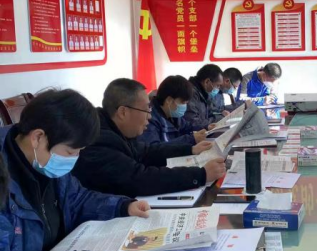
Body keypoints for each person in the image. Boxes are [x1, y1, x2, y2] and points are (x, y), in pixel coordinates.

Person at [0, 89, 152, 251]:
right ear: (37, 137)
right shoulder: (4, 178)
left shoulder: (44, 163)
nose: (75, 159)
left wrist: (122, 206)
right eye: (71, 152)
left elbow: (77, 199)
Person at [74, 79, 226, 198]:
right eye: (146, 109)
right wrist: (201, 175)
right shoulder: (98, 140)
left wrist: (190, 149)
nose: (149, 116)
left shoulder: (118, 130)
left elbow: (147, 152)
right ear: (123, 112)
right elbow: (139, 179)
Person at [140, 76, 207, 146]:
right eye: (183, 102)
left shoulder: (173, 115)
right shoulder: (150, 119)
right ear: (169, 100)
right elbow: (155, 147)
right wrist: (191, 139)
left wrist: (206, 127)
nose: (185, 106)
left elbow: (187, 127)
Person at [186, 64, 225, 130]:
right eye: (217, 85)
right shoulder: (190, 93)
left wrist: (221, 114)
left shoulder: (204, 93)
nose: (218, 89)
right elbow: (192, 121)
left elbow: (210, 112)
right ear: (207, 81)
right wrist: (219, 119)